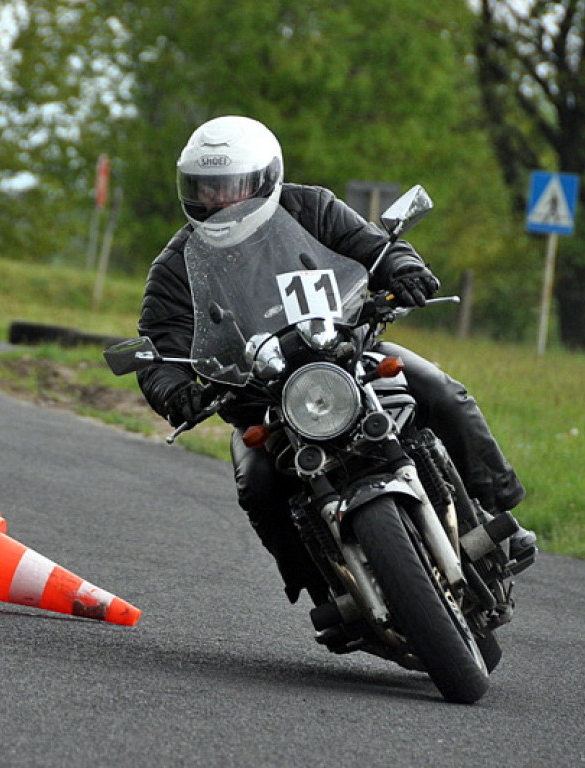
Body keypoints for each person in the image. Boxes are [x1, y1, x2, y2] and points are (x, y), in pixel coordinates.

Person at [136, 115, 535, 606]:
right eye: (205, 189)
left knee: (438, 391)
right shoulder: (177, 266)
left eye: (230, 187)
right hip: (261, 399)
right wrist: (175, 390)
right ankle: (321, 586)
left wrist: (403, 269)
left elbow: (370, 247)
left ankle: (497, 510)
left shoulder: (312, 207)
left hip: (347, 356)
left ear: (265, 179)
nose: (218, 201)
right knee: (258, 483)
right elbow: (157, 347)